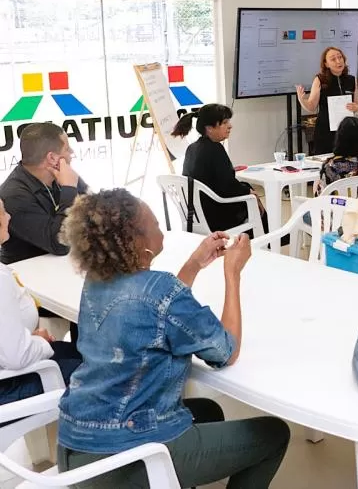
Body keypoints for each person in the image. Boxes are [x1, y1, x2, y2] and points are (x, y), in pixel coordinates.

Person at [56, 189, 290, 488]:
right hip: (125, 458)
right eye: (153, 223)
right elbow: (226, 350)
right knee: (274, 434)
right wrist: (233, 273)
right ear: (136, 242)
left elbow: (155, 312)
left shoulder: (97, 281)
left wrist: (195, 264)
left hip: (76, 444)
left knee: (209, 410)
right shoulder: (159, 289)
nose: (159, 226)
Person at [0, 199, 81, 406]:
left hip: (11, 366)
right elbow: (16, 357)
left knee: (79, 351)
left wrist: (26, 340)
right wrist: (41, 342)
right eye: (3, 213)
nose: (9, 217)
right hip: (9, 387)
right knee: (106, 370)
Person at [0, 122, 89, 264]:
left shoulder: (62, 174)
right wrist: (69, 189)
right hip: (28, 276)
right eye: (67, 148)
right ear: (52, 158)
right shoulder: (13, 196)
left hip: (63, 267)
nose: (71, 152)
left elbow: (96, 209)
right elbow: (60, 244)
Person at [173, 104, 268, 235]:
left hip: (195, 215)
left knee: (246, 189)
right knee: (250, 197)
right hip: (216, 217)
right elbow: (227, 186)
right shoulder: (215, 149)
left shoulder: (192, 148)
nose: (230, 126)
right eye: (224, 122)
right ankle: (269, 239)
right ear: (209, 128)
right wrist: (250, 193)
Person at [296, 46, 358, 155]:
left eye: (340, 57)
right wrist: (302, 100)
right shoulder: (320, 79)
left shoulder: (352, 80)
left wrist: (356, 107)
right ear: (326, 64)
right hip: (325, 131)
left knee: (347, 162)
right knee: (326, 164)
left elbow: (356, 104)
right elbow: (311, 106)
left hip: (346, 130)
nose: (338, 61)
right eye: (333, 59)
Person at [315, 116, 358, 195]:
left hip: (342, 206)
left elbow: (321, 196)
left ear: (340, 139)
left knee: (317, 183)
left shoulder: (331, 166)